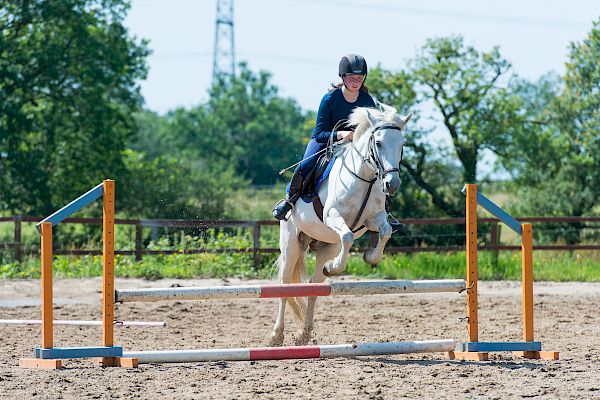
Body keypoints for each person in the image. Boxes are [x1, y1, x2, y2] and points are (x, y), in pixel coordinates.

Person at [272, 54, 376, 220]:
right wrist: (340, 134)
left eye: (359, 77)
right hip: (326, 141)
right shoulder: (329, 99)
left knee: (377, 167)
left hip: (355, 145)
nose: (356, 81)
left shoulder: (367, 100)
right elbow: (320, 134)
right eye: (351, 77)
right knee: (306, 164)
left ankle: (382, 210)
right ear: (343, 77)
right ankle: (288, 201)